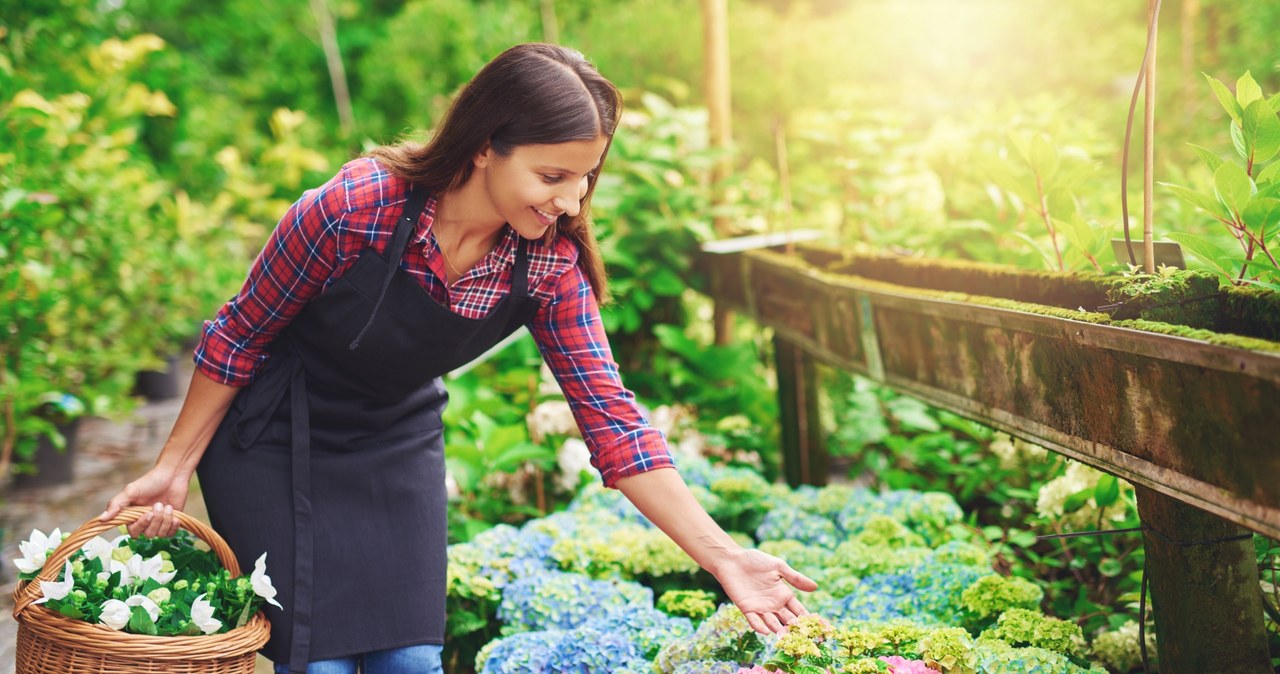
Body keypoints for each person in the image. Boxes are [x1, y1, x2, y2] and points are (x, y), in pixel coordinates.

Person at [101, 42, 817, 674]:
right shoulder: (356, 208)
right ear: (485, 146)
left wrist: (723, 555)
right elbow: (238, 334)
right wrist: (173, 467)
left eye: (586, 178)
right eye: (552, 176)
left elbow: (615, 426)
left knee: (409, 659)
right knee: (316, 663)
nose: (571, 201)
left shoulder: (546, 268)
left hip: (393, 438)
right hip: (274, 434)